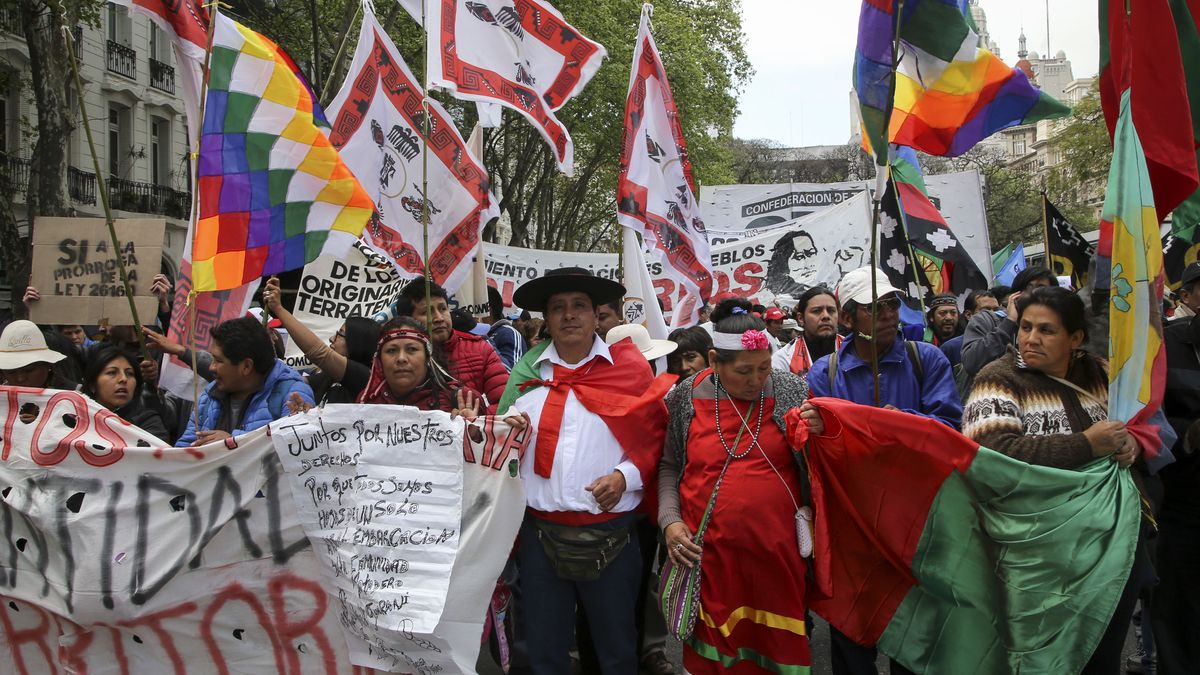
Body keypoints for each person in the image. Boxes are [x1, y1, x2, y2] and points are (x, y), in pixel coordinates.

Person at [961, 286, 1148, 674]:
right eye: (1025, 327)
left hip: (1110, 549)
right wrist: (1084, 445)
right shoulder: (996, 379)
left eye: (1046, 330)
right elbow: (992, 456)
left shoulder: (1099, 373)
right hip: (1039, 562)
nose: (1030, 338)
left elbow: (1132, 427)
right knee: (1044, 660)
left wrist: (1131, 445)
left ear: (1075, 338)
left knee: (1101, 653)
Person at [497, 267, 672, 675]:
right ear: (547, 319)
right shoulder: (527, 376)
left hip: (612, 537)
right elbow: (498, 452)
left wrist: (623, 477)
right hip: (540, 538)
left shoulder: (628, 371)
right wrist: (504, 433)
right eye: (558, 308)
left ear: (597, 316)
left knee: (615, 652)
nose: (569, 315)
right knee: (545, 653)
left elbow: (654, 441)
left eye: (579, 306)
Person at [658, 303, 824, 674]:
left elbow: (820, 465)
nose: (756, 379)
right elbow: (669, 466)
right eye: (744, 371)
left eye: (764, 367)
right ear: (715, 361)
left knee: (776, 652)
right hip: (709, 557)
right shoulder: (686, 397)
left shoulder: (790, 390)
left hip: (777, 558)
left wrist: (821, 431)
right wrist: (670, 521)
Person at [808, 267, 961, 428]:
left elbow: (951, 427)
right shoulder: (824, 373)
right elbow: (819, 442)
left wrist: (905, 423)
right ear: (847, 318)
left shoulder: (927, 359)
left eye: (892, 304)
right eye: (874, 308)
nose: (888, 315)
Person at [175, 317, 314, 447]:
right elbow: (185, 448)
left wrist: (234, 443)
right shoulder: (209, 396)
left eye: (218, 361)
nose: (211, 367)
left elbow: (297, 453)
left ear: (246, 366)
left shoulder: (292, 396)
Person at [1151, 311, 1200, 674]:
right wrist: (1191, 433)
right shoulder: (1165, 344)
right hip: (1182, 500)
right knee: (1180, 610)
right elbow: (1146, 419)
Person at [262, 277, 379, 404]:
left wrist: (278, 308)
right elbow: (296, 381)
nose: (331, 339)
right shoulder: (329, 377)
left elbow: (319, 353)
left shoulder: (365, 377)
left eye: (340, 334)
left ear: (357, 343)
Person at [400, 279, 508, 413]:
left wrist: (477, 419)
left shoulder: (481, 349)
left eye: (443, 308)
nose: (439, 318)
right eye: (426, 312)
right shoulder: (398, 358)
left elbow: (506, 405)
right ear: (407, 320)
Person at [356, 317, 481, 415]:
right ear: (379, 360)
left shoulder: (464, 400)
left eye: (411, 349)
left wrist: (473, 435)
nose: (401, 358)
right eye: (391, 351)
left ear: (427, 356)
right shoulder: (365, 402)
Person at [960, 266, 1058, 381]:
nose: (1034, 294)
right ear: (1016, 294)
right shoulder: (986, 320)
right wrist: (1009, 323)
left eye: (1042, 289)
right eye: (1028, 288)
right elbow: (971, 363)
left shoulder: (1058, 325)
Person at [82, 346, 170, 442]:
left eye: (130, 374)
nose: (123, 379)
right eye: (112, 372)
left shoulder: (148, 422)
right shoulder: (78, 419)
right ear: (92, 386)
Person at [773, 285, 842, 377]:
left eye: (831, 310)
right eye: (816, 311)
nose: (826, 316)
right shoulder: (783, 360)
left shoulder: (854, 349)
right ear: (801, 318)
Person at [0, 320, 69, 389]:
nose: (20, 379)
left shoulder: (72, 396)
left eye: (29, 370)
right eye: (11, 372)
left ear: (48, 365)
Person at [939, 290, 999, 369]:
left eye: (996, 310)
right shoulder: (950, 348)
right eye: (986, 310)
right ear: (968, 315)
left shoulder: (1006, 341)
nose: (993, 314)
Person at [765, 230, 819, 297]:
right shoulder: (781, 297)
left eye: (811, 253)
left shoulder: (827, 289)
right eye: (799, 257)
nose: (808, 263)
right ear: (784, 263)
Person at [487, 286, 527, 370]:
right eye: (513, 320)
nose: (514, 323)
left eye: (516, 320)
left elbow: (511, 373)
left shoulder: (509, 333)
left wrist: (483, 340)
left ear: (488, 311)